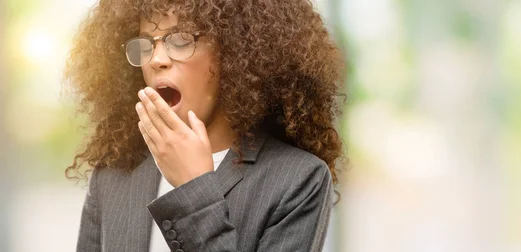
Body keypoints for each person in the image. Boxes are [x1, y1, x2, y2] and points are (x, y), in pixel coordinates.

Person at [64, 0, 345, 251]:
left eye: (181, 39)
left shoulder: (298, 180)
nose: (157, 60)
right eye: (145, 43)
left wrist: (192, 188)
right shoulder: (113, 176)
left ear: (234, 49)